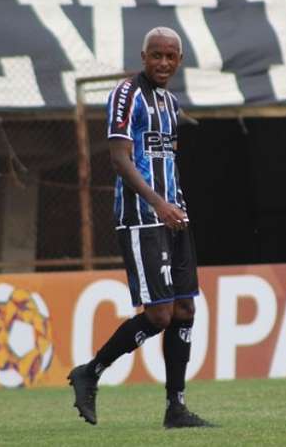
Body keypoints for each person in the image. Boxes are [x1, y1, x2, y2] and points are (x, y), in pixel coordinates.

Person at [68, 27, 213, 429]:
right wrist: (158, 203)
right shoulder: (125, 95)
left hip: (174, 215)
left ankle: (176, 408)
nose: (163, 63)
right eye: (156, 56)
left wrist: (175, 205)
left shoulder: (169, 102)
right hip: (142, 217)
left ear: (179, 61)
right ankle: (91, 371)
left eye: (170, 57)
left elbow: (166, 157)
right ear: (144, 55)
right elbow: (119, 159)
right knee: (160, 315)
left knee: (185, 309)